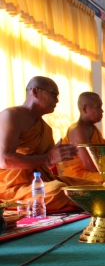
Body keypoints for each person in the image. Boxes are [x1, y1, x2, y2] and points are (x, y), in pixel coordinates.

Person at [0, 77, 98, 210]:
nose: (57, 100)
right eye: (53, 94)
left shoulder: (46, 128)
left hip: (42, 182)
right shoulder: (10, 116)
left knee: (94, 187)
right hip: (14, 187)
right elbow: (5, 160)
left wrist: (58, 156)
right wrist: (49, 157)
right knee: (59, 190)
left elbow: (45, 163)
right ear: (35, 92)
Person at [57, 92, 105, 182]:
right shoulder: (77, 130)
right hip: (78, 175)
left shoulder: (93, 129)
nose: (102, 111)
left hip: (94, 172)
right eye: (98, 107)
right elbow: (88, 163)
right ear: (85, 109)